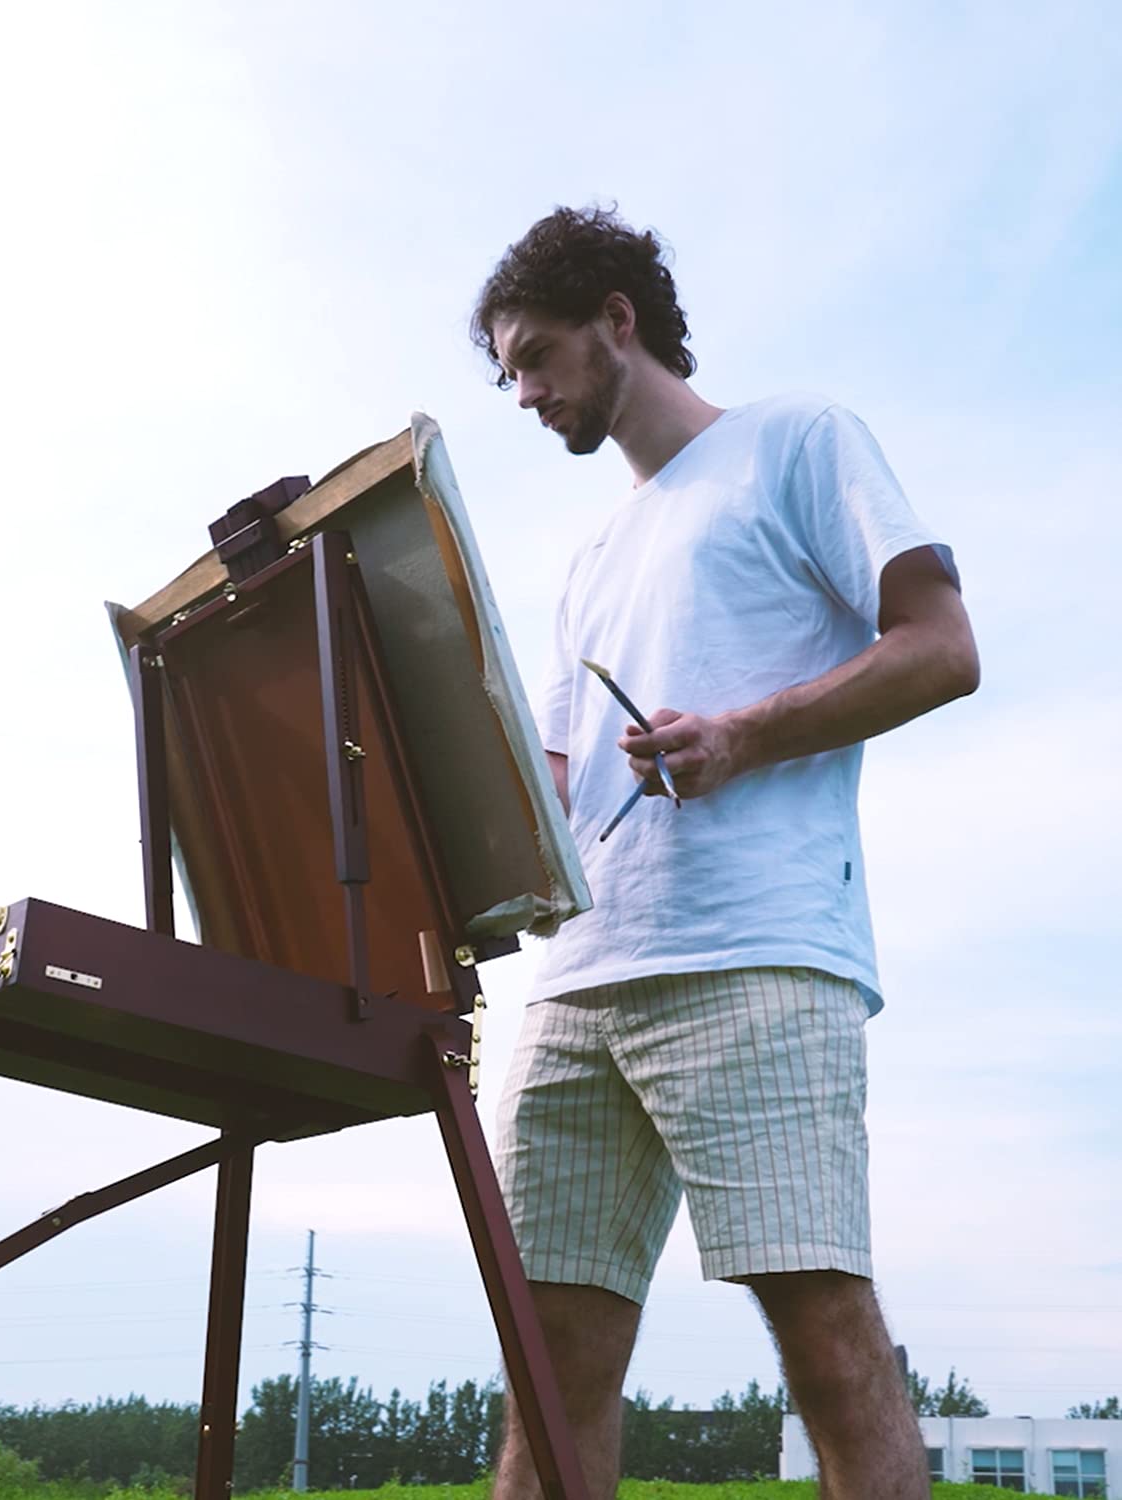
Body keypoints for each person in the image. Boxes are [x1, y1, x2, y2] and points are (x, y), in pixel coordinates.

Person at [470, 206, 979, 1500]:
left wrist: (745, 734)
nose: (520, 392)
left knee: (823, 1331)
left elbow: (941, 645)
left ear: (616, 322)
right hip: (578, 985)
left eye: (534, 357)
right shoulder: (588, 559)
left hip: (755, 957)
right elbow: (556, 780)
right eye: (507, 370)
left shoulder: (795, 441)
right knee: (552, 1360)